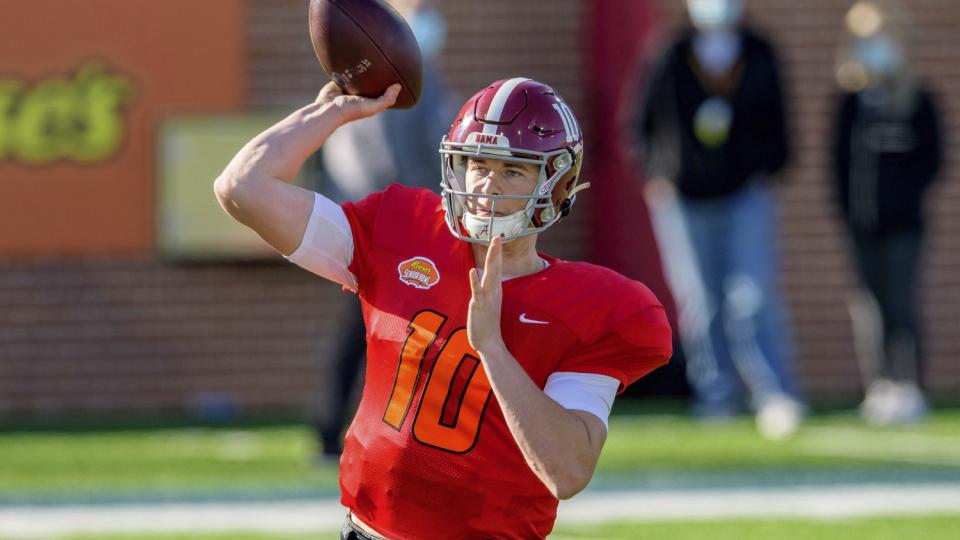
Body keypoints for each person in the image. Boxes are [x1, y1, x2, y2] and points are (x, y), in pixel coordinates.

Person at [214, 77, 673, 538]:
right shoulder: (405, 230)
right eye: (476, 163)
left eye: (512, 170)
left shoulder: (593, 305)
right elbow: (242, 188)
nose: (486, 185)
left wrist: (493, 348)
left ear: (557, 183)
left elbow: (568, 471)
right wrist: (328, 115)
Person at [637, 0, 804, 439]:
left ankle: (775, 392)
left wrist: (769, 170)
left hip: (745, 193)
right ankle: (716, 395)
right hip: (684, 198)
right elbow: (641, 123)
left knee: (754, 294)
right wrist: (659, 174)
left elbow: (781, 122)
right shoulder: (671, 50)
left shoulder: (760, 50)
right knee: (700, 300)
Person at [310, 0, 458, 461]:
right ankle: (342, 428)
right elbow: (394, 162)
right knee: (379, 332)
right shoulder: (395, 83)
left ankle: (351, 427)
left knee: (381, 334)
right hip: (391, 226)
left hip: (386, 222)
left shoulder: (405, 80)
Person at [832, 1, 943, 425]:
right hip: (862, 222)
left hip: (905, 222)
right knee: (869, 306)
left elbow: (933, 160)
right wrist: (851, 209)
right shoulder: (852, 103)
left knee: (902, 302)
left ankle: (910, 383)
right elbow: (838, 163)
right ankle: (879, 384)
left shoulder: (918, 100)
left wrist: (903, 196)